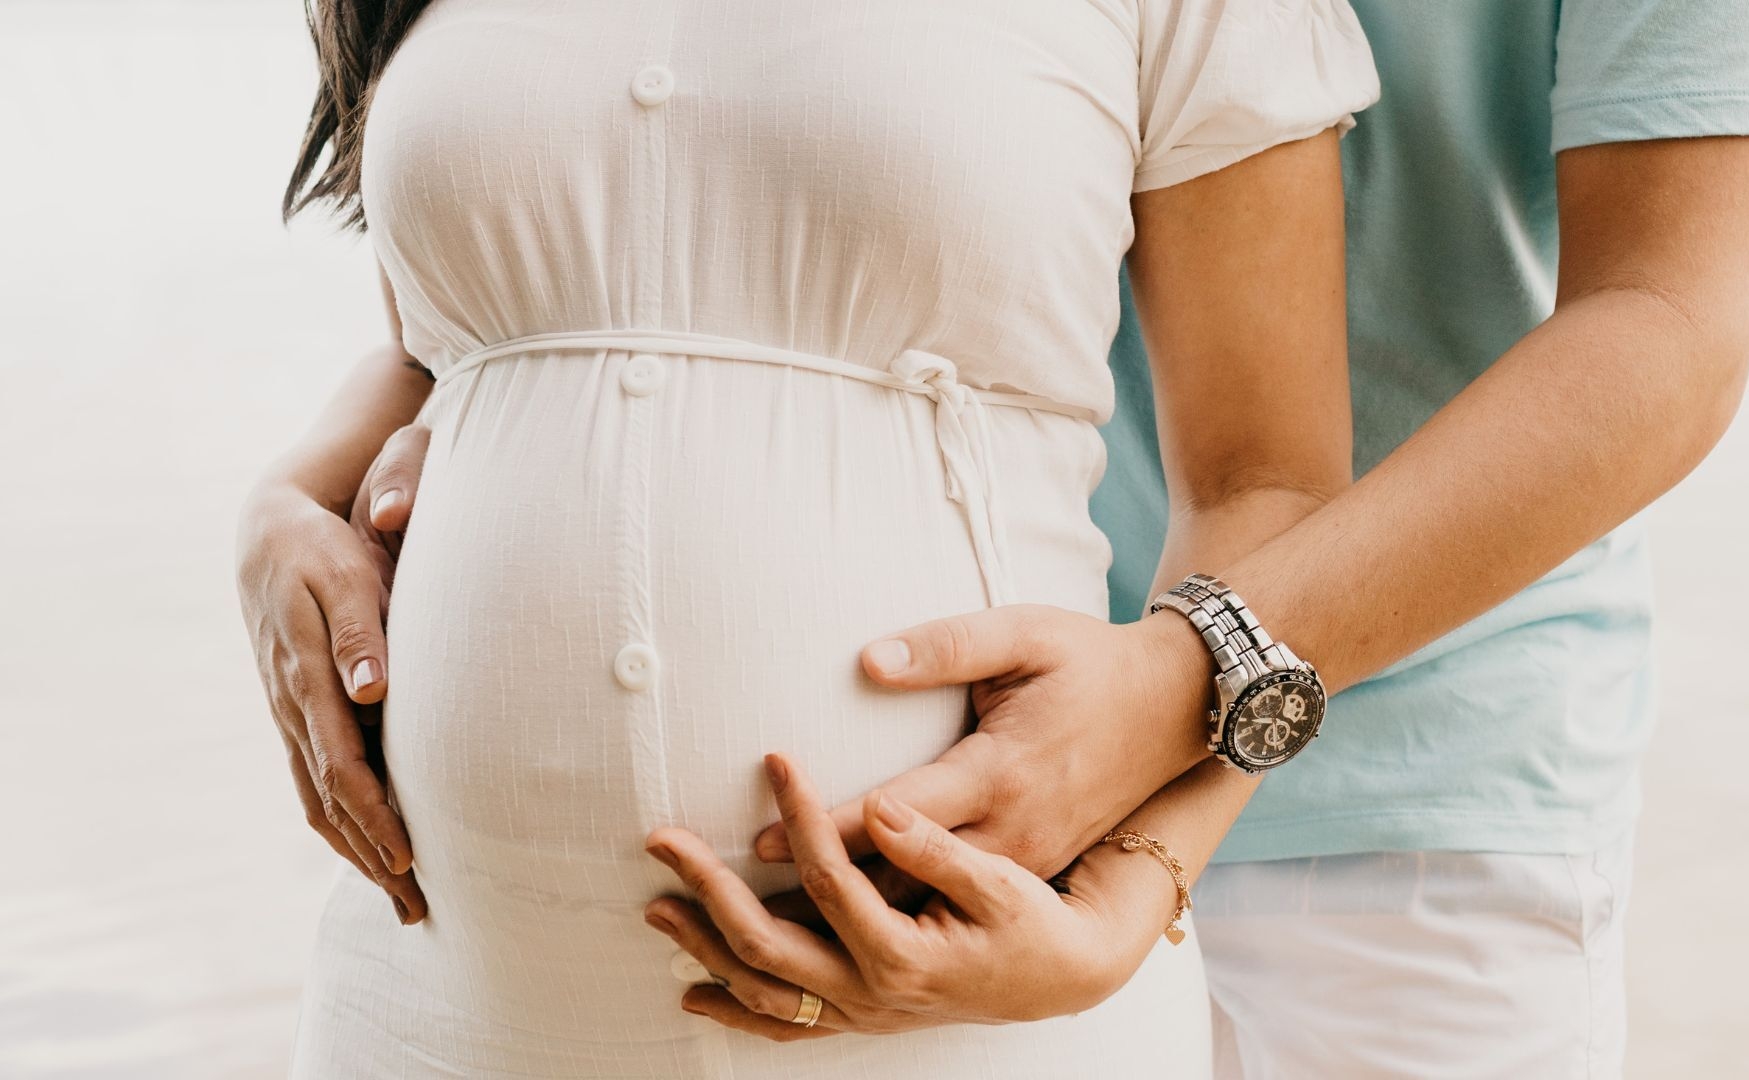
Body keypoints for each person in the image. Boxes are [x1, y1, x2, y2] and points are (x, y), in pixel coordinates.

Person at [235, 0, 1378, 1076]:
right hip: (445, 1000)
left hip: (969, 1002)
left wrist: (1139, 883)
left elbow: (1266, 486)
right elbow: (454, 344)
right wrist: (284, 503)